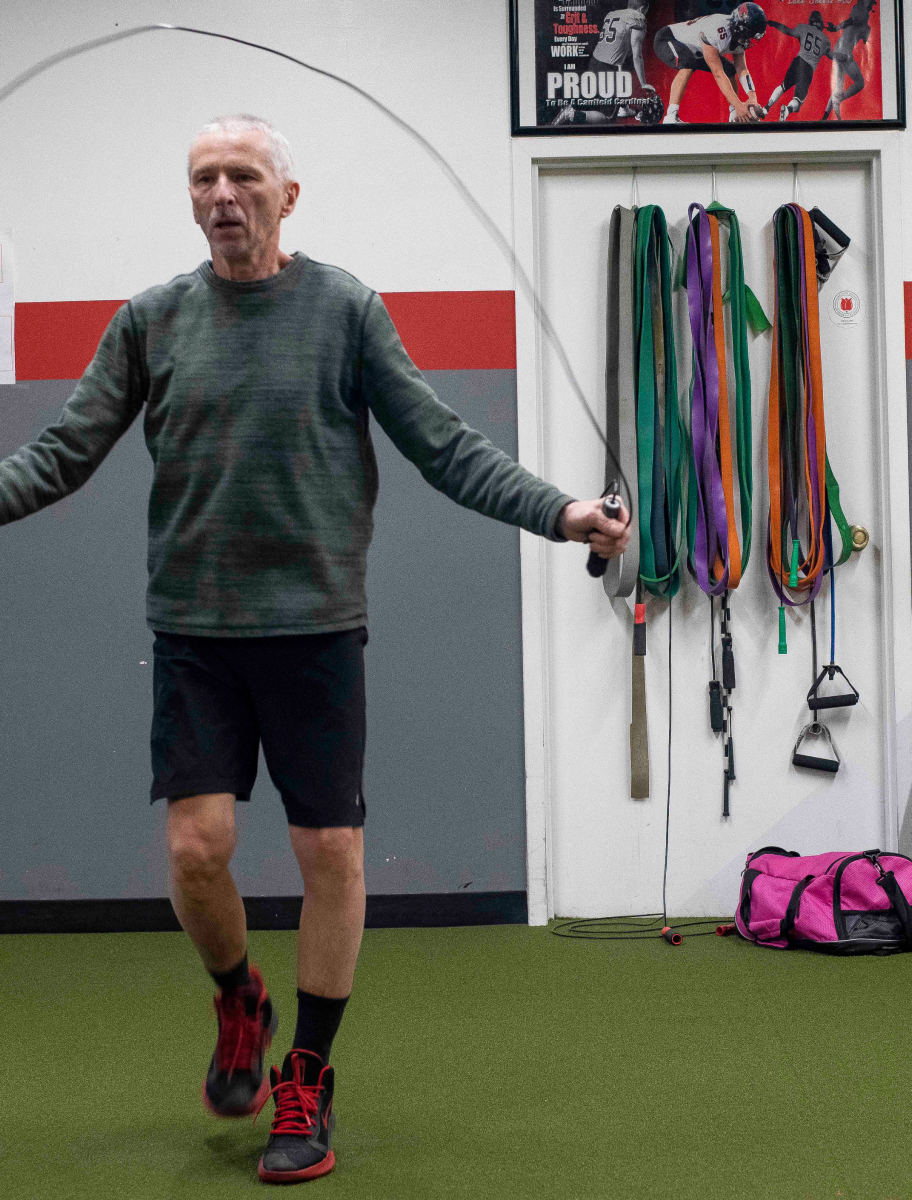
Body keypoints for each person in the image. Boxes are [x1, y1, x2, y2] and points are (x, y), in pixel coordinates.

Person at [0, 115, 629, 1185]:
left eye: (243, 175)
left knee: (329, 855)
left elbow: (445, 445)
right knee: (199, 851)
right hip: (195, 629)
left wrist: (561, 512)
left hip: (317, 631)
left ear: (289, 196)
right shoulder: (151, 320)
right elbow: (63, 451)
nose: (222, 194)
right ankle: (240, 995)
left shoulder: (345, 312)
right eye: (203, 178)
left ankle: (309, 1072)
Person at [552, 0, 664, 126]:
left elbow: (616, 46)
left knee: (622, 66)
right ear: (643, 8)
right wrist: (644, 83)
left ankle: (623, 108)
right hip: (607, 68)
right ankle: (571, 113)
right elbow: (637, 55)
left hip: (594, 61)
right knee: (608, 117)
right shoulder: (638, 18)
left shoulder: (613, 14)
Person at [653, 1, 767, 124]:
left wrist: (752, 97)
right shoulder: (717, 30)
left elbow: (742, 69)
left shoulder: (737, 31)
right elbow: (718, 73)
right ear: (739, 28)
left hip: (695, 49)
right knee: (688, 63)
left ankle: (734, 114)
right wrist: (739, 105)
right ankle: (670, 116)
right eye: (748, 34)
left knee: (730, 70)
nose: (749, 40)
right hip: (668, 38)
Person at [760, 12, 833, 119]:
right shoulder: (826, 40)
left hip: (797, 61)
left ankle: (766, 108)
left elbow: (787, 30)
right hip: (808, 68)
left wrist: (773, 23)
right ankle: (787, 110)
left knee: (783, 87)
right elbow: (830, 55)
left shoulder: (803, 28)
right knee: (798, 102)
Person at [822, 0, 877, 119]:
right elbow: (851, 21)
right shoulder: (861, 8)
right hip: (844, 52)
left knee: (838, 88)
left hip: (839, 49)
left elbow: (860, 31)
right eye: (871, 3)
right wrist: (836, 27)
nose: (871, 6)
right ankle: (839, 99)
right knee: (860, 83)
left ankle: (824, 117)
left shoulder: (864, 22)